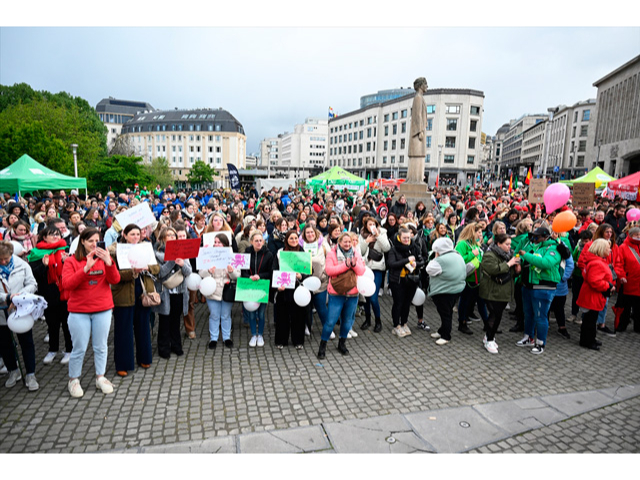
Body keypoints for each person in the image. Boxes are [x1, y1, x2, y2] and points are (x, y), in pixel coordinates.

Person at [61, 227, 120, 398]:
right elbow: (67, 284)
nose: (94, 244)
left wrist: (109, 263)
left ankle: (100, 377)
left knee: (101, 346)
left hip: (103, 308)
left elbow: (114, 280)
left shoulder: (104, 258)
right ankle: (73, 379)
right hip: (79, 310)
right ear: (82, 242)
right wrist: (86, 268)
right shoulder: (72, 261)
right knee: (79, 347)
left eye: (97, 241)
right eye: (90, 241)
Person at [109, 223, 160, 376]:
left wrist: (148, 268)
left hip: (144, 292)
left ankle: (144, 357)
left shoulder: (146, 247)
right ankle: (123, 364)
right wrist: (133, 272)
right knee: (123, 329)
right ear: (124, 234)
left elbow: (156, 269)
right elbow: (114, 276)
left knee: (143, 326)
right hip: (124, 293)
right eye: (132, 234)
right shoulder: (115, 251)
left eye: (138, 234)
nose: (136, 237)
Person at [27, 225, 73, 364]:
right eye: (52, 234)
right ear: (44, 237)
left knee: (67, 324)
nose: (55, 237)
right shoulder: (36, 253)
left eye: (58, 234)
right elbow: (33, 276)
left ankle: (69, 350)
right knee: (52, 324)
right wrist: (44, 266)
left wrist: (67, 262)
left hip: (65, 293)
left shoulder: (66, 250)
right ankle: (53, 350)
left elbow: (74, 272)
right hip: (48, 293)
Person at [317, 232, 366, 359]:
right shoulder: (332, 254)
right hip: (336, 292)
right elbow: (329, 270)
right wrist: (346, 265)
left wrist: (354, 265)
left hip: (352, 293)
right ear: (339, 242)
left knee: (347, 321)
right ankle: (323, 345)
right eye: (345, 241)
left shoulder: (356, 253)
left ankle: (342, 343)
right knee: (330, 322)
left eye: (349, 242)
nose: (347, 244)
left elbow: (361, 271)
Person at [516, 227, 563, 355]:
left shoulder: (554, 248)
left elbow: (545, 263)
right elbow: (518, 254)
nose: (533, 239)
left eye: (536, 237)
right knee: (529, 313)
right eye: (532, 237)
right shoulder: (535, 246)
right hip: (528, 285)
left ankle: (540, 343)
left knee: (540, 316)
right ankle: (529, 337)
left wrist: (526, 255)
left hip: (544, 287)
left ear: (545, 237)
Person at [0, 241, 39, 390]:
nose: (3, 262)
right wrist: (7, 297)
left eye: (6, 259)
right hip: (2, 311)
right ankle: (13, 371)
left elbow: (32, 284)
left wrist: (19, 297)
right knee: (5, 343)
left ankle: (30, 374)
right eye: (0, 259)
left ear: (11, 254)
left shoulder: (22, 265)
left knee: (26, 342)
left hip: (21, 309)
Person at [152, 227, 192, 359]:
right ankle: (164, 348)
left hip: (179, 291)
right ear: (163, 238)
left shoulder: (182, 250)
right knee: (164, 321)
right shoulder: (157, 253)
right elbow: (160, 273)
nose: (172, 237)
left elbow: (188, 272)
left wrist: (182, 264)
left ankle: (176, 345)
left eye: (173, 235)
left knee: (176, 320)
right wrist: (171, 261)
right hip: (165, 292)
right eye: (169, 235)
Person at [478, 233, 520, 354]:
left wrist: (517, 269)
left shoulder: (509, 254)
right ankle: (490, 339)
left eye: (510, 244)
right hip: (492, 291)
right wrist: (509, 264)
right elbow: (493, 270)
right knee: (496, 315)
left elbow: (512, 273)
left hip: (504, 291)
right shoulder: (489, 255)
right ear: (498, 244)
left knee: (496, 314)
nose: (509, 247)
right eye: (506, 244)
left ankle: (488, 336)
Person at [200, 233, 240, 351]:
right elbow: (201, 273)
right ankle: (213, 338)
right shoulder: (208, 255)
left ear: (225, 244)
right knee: (214, 315)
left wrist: (231, 271)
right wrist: (208, 270)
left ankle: (226, 337)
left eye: (219, 242)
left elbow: (237, 275)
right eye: (215, 242)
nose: (217, 244)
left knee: (226, 315)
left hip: (227, 289)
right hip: (212, 289)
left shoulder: (232, 256)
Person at [272, 230, 309, 350]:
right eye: (291, 238)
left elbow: (309, 270)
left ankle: (298, 340)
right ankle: (281, 340)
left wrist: (301, 276)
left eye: (295, 238)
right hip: (284, 288)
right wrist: (277, 285)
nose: (293, 241)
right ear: (286, 240)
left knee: (298, 316)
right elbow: (275, 270)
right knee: (283, 316)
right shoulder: (280, 253)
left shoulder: (302, 253)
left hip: (298, 289)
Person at [426, 237, 467, 346]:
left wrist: (435, 257)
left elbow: (429, 269)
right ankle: (442, 330)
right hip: (457, 289)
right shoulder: (457, 255)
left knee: (445, 313)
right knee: (446, 311)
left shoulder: (440, 260)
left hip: (444, 291)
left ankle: (446, 335)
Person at [387, 227, 424, 337]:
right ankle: (396, 325)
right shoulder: (393, 249)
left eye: (408, 237)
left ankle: (404, 323)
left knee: (407, 303)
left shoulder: (415, 247)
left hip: (411, 279)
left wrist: (416, 264)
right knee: (398, 303)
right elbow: (391, 264)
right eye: (404, 238)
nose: (407, 240)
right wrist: (406, 260)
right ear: (399, 237)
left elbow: (422, 260)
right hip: (397, 280)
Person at [577, 239, 614, 350]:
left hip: (592, 295)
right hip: (592, 296)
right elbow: (595, 281)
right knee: (590, 321)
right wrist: (609, 286)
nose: (610, 250)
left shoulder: (596, 261)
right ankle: (587, 341)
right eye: (608, 248)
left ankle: (590, 339)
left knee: (591, 320)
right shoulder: (596, 263)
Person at [358, 217, 390, 333]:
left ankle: (378, 320)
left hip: (377, 268)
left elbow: (387, 248)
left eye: (374, 224)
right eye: (369, 224)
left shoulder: (383, 233)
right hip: (365, 268)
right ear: (365, 225)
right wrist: (366, 242)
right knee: (365, 296)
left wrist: (378, 236)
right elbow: (359, 251)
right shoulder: (361, 235)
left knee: (373, 297)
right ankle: (367, 319)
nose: (371, 226)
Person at [455, 223, 489, 335]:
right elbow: (457, 260)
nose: (481, 234)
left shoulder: (476, 244)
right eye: (478, 232)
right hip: (468, 279)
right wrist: (471, 254)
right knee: (464, 302)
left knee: (481, 302)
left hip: (478, 279)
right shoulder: (462, 244)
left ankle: (487, 324)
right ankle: (462, 323)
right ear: (472, 232)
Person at [242, 231, 274, 347]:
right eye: (256, 241)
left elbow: (271, 272)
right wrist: (249, 277)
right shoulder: (246, 253)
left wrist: (260, 276)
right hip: (249, 286)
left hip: (262, 287)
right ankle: (253, 335)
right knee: (251, 313)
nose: (259, 243)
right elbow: (242, 271)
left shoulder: (269, 254)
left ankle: (260, 335)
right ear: (251, 242)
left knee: (261, 313)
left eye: (260, 240)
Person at [613, 226, 640, 333]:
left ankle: (638, 327)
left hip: (638, 283)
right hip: (628, 282)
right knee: (625, 307)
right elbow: (619, 264)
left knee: (639, 308)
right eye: (637, 235)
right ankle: (622, 325)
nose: (638, 237)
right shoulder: (623, 247)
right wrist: (622, 276)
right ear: (631, 235)